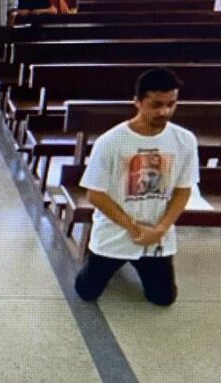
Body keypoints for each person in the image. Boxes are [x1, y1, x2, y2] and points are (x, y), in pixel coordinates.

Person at [74, 69, 199, 306]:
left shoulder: (185, 140)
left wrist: (160, 229)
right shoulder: (110, 142)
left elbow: (184, 189)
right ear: (137, 102)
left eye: (171, 104)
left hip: (156, 233)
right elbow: (95, 194)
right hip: (116, 231)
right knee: (87, 292)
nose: (164, 112)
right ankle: (98, 265)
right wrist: (132, 228)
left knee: (163, 298)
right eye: (156, 105)